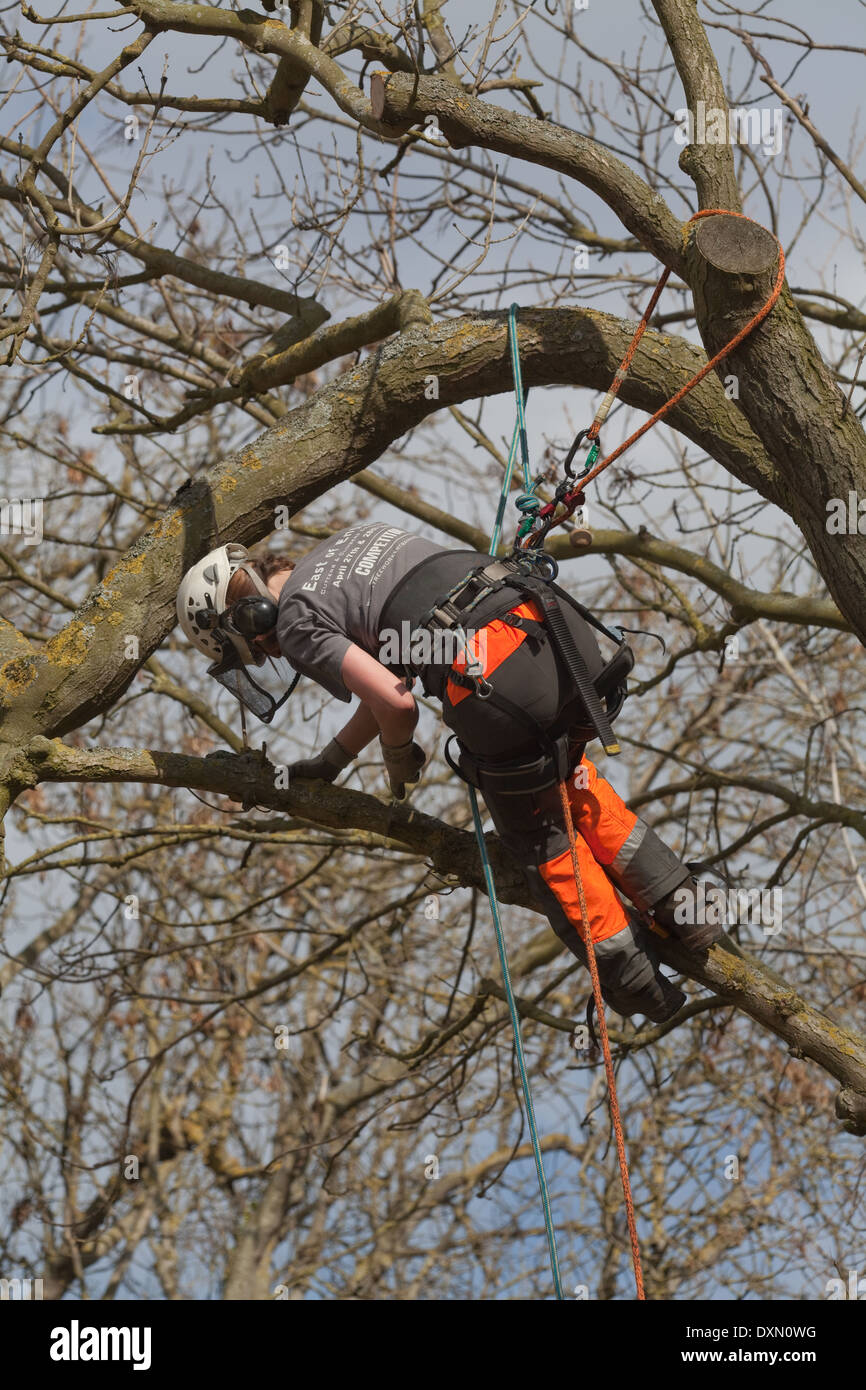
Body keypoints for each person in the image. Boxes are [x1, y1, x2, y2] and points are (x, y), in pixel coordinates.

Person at [177, 522, 722, 1024]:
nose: (272, 649)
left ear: (245, 612)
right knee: (570, 781)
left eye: (257, 643)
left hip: (493, 678)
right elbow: (385, 682)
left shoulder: (295, 620)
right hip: (558, 634)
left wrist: (396, 754)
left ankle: (636, 982)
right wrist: (331, 761)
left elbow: (396, 704)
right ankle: (689, 910)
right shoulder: (349, 546)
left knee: (542, 840)